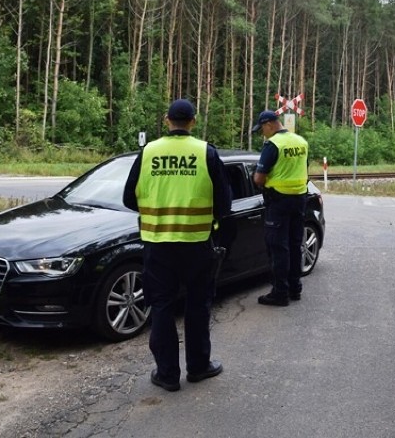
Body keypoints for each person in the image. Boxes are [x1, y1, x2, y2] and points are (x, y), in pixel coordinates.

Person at [122, 99, 232, 392]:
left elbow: (128, 198)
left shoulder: (148, 152)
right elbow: (225, 204)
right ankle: (198, 367)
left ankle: (167, 375)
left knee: (161, 307)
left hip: (157, 245)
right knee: (197, 306)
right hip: (197, 245)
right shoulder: (205, 152)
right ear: (193, 122)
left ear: (166, 120)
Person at [251, 110, 309, 307]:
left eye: (262, 130)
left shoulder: (273, 144)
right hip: (300, 199)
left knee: (278, 248)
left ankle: (280, 293)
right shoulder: (301, 141)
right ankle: (295, 289)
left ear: (269, 124)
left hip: (278, 202)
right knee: (294, 245)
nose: (262, 134)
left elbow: (259, 178)